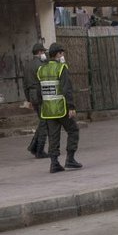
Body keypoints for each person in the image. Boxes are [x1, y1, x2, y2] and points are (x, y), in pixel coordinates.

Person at [38, 42, 82, 173]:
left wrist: (42, 106)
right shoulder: (62, 68)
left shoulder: (42, 69)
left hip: (48, 110)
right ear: (58, 54)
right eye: (62, 53)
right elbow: (66, 89)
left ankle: (54, 163)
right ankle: (70, 159)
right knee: (73, 130)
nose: (63, 55)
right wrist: (71, 107)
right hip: (61, 108)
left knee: (53, 136)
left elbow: (39, 90)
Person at [24, 42, 49, 159]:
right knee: (44, 123)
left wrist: (28, 99)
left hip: (32, 95)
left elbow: (24, 84)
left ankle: (33, 146)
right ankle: (39, 150)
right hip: (40, 94)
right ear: (39, 52)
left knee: (42, 121)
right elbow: (44, 81)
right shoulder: (41, 64)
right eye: (43, 52)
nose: (44, 54)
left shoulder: (28, 65)